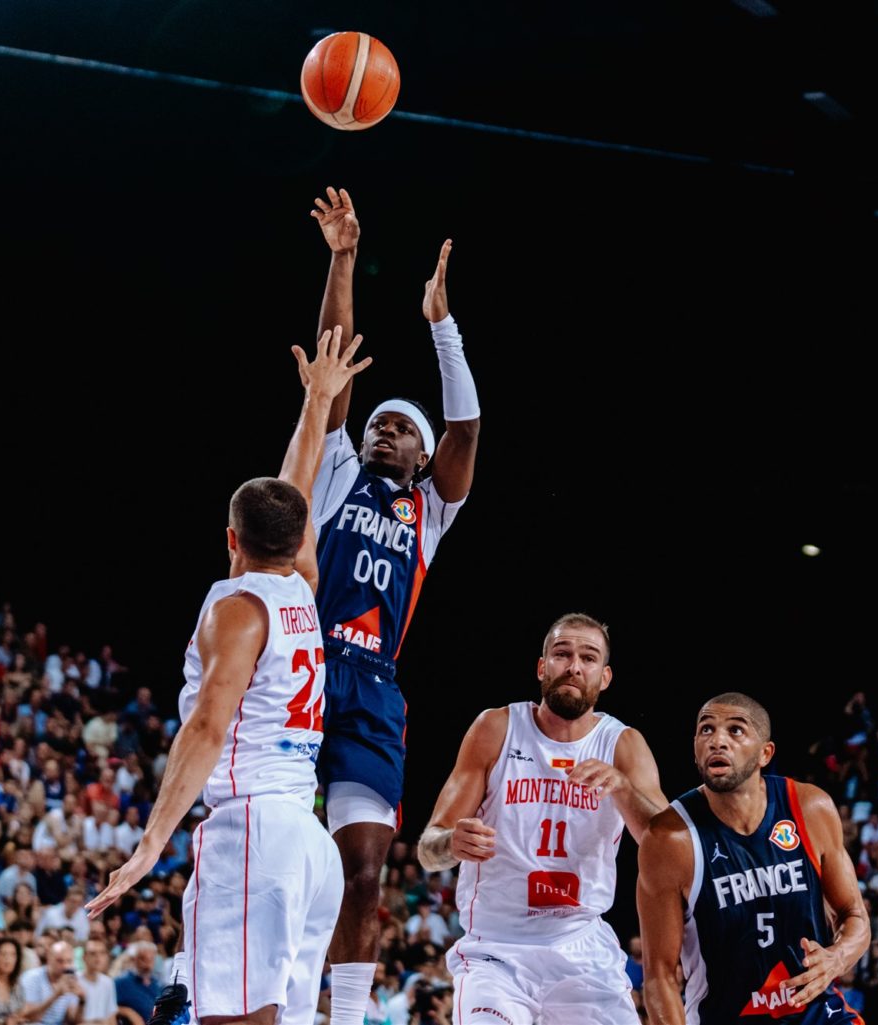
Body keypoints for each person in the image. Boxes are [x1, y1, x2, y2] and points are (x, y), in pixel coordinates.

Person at [87, 327, 370, 1025]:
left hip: (253, 832)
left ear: (230, 538)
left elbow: (208, 727)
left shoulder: (238, 609)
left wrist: (150, 844)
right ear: (296, 540)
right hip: (307, 841)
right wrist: (317, 402)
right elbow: (296, 490)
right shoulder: (302, 586)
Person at [302, 186, 481, 1025]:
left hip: (374, 687)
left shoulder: (430, 512)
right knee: (280, 854)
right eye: (378, 422)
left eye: (402, 428)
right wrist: (343, 258)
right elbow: (333, 361)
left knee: (364, 869)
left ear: (420, 453)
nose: (384, 430)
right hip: (305, 668)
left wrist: (441, 325)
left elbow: (466, 431)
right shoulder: (337, 470)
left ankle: (345, 1016)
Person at [415, 614, 665, 1024]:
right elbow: (429, 850)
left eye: (588, 658)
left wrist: (623, 788)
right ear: (541, 667)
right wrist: (451, 843)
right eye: (562, 654)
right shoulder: (496, 728)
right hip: (497, 950)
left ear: (604, 677)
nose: (574, 666)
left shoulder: (622, 745)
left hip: (582, 949)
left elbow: (667, 849)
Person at [638, 694, 870, 1024]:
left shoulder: (810, 807)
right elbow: (659, 977)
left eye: (735, 730)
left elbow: (854, 915)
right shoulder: (669, 838)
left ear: (765, 753)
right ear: (695, 749)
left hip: (817, 1014)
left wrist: (837, 957)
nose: (717, 741)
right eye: (706, 729)